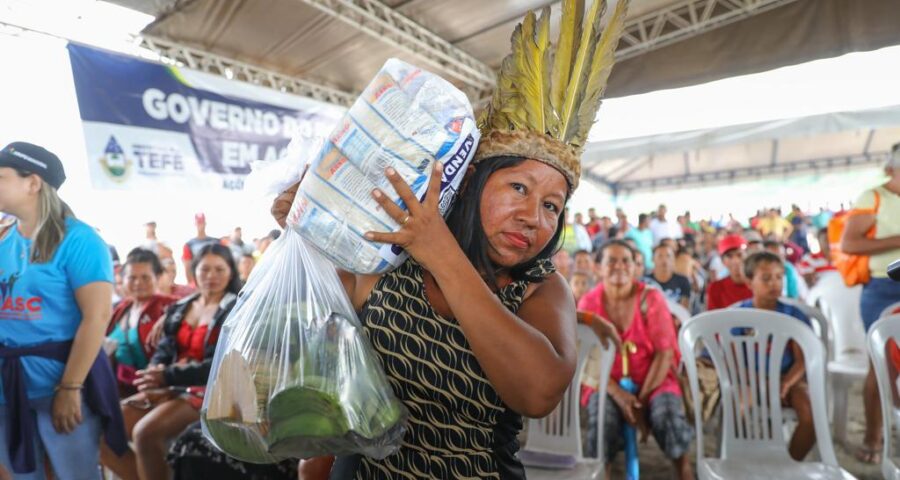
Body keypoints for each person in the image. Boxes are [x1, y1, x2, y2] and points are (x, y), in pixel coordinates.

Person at [271, 3, 626, 476]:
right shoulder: (388, 256)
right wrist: (307, 215)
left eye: (551, 205)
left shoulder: (540, 288)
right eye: (518, 188)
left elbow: (539, 391)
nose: (532, 218)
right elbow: (323, 349)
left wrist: (440, 253)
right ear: (474, 180)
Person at [0, 142, 126, 478]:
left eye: (1, 177)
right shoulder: (4, 240)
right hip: (8, 389)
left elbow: (96, 317)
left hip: (59, 383)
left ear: (33, 183)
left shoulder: (80, 240)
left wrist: (70, 388)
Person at [100, 244, 240, 480]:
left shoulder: (236, 309)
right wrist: (154, 375)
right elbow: (164, 350)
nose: (211, 276)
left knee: (145, 433)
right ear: (193, 270)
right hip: (170, 384)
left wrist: (167, 377)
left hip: (209, 391)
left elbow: (220, 366)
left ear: (231, 273)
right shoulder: (180, 308)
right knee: (104, 431)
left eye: (219, 269)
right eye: (205, 269)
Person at [578, 240, 693, 480]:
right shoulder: (589, 302)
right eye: (611, 261)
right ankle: (603, 472)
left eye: (626, 261)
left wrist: (637, 402)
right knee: (602, 421)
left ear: (636, 267)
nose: (619, 266)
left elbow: (665, 354)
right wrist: (621, 396)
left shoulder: (651, 298)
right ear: (598, 267)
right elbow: (589, 362)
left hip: (655, 379)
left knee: (667, 417)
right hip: (606, 382)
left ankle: (683, 467)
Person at [840, 142, 900, 464]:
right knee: (881, 365)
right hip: (883, 288)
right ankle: (873, 437)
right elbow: (849, 243)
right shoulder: (874, 198)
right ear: (890, 169)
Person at [735, 251, 815, 461]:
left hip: (789, 380)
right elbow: (733, 359)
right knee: (740, 411)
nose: (774, 283)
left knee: (811, 416)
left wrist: (786, 383)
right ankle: (741, 462)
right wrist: (758, 381)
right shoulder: (737, 316)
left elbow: (802, 359)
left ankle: (788, 464)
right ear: (749, 281)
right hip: (750, 380)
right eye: (766, 278)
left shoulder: (794, 315)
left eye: (779, 277)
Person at [106, 248, 176, 397]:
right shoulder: (120, 309)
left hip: (156, 390)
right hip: (118, 391)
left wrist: (168, 316)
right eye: (132, 278)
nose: (138, 283)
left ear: (157, 278)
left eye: (145, 277)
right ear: (122, 280)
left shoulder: (171, 307)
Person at [707, 234, 752, 310]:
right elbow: (713, 318)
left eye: (739, 255)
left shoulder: (758, 285)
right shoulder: (715, 288)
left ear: (747, 256)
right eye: (729, 256)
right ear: (722, 261)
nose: (736, 261)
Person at [181, 213, 219, 286]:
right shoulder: (189, 244)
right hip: (198, 279)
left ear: (205, 223)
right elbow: (187, 266)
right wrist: (191, 284)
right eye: (198, 223)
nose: (200, 225)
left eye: (202, 222)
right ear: (195, 224)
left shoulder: (215, 242)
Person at [650, 244, 691, 309]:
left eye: (668, 256)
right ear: (652, 259)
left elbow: (684, 310)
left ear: (674, 259)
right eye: (660, 256)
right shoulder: (645, 281)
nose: (664, 260)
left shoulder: (683, 281)